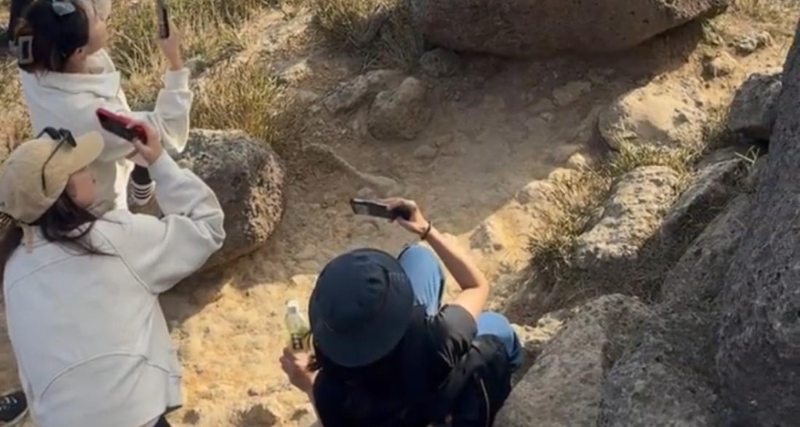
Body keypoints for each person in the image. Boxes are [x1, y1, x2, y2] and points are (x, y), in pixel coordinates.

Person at [0, 122, 224, 427]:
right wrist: (159, 161)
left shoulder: (13, 269)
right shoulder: (115, 237)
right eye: (79, 167)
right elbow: (207, 227)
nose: (90, 170)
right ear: (66, 192)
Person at [281, 197, 521, 427]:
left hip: (399, 397)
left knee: (417, 257)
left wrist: (309, 384)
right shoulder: (439, 338)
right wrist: (426, 229)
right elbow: (477, 286)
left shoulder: (332, 390)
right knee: (496, 325)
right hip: (438, 392)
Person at [15, 0, 192, 213]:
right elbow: (163, 134)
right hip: (99, 205)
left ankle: (139, 175)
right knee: (139, 149)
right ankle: (141, 188)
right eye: (96, 18)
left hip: (74, 164)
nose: (101, 15)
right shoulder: (95, 116)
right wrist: (175, 63)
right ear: (79, 52)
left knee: (127, 147)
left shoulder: (37, 59)